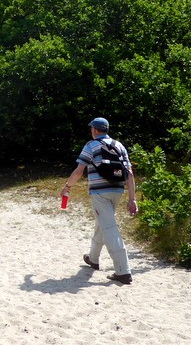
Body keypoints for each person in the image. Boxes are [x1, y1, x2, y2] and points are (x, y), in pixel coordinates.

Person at [61, 117, 138, 285]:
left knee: (109, 227)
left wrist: (67, 187)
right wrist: (132, 199)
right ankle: (93, 259)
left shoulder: (91, 145)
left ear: (95, 130)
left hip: (99, 193)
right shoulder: (119, 146)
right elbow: (130, 174)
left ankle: (123, 271)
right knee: (102, 223)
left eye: (91, 129)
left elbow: (79, 171)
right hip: (118, 190)